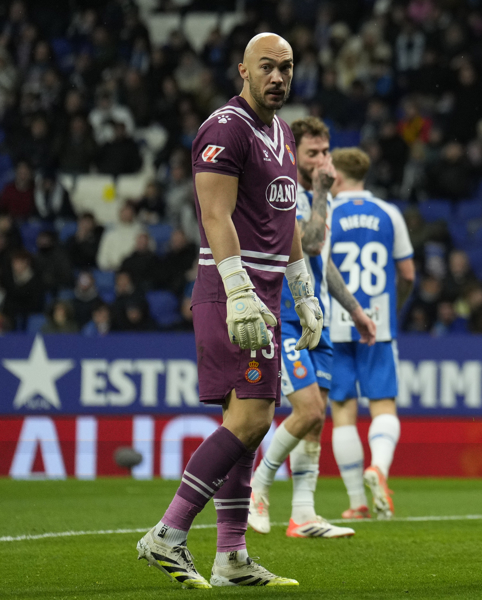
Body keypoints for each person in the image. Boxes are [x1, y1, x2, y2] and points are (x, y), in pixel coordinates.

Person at [136, 33, 322, 589]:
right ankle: (168, 533)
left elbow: (285, 219)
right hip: (232, 294)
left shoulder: (282, 131)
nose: (278, 77)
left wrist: (303, 288)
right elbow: (214, 214)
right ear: (243, 70)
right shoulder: (225, 127)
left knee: (247, 424)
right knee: (252, 420)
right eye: (267, 67)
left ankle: (232, 558)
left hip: (266, 295)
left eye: (286, 67)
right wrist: (238, 290)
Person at [247, 117, 376, 538]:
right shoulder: (283, 193)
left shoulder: (318, 198)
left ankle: (303, 514)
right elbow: (313, 242)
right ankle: (257, 487)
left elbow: (323, 263)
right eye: (313, 153)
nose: (323, 160)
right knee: (309, 411)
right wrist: (322, 190)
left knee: (315, 422)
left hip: (317, 318)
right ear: (293, 153)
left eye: (325, 152)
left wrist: (355, 311)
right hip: (285, 316)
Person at [325, 147, 415, 520]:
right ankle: (378, 467)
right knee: (383, 405)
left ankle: (356, 503)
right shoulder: (389, 213)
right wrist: (392, 310)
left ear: (337, 176)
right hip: (378, 324)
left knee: (342, 410)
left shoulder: (325, 213)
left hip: (334, 322)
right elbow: (407, 274)